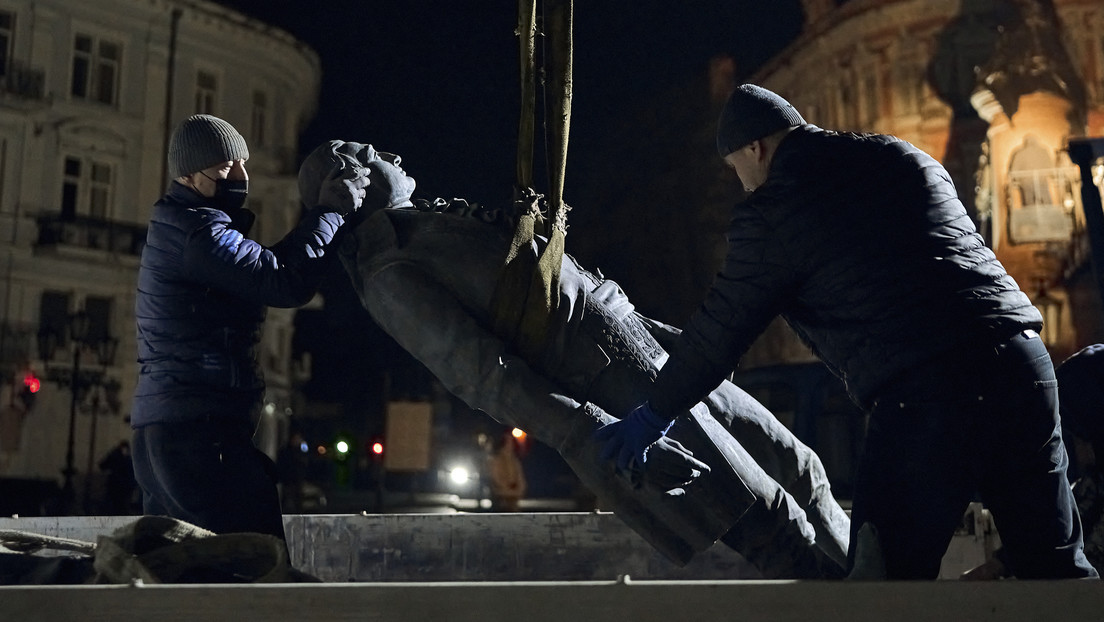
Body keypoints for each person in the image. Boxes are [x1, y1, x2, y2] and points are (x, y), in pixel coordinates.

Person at [595, 83, 1098, 580]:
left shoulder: (776, 210)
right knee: (1053, 571)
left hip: (926, 394)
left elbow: (719, 333)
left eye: (737, 170)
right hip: (1024, 368)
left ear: (756, 147)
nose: (742, 183)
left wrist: (655, 413)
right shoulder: (902, 156)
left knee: (882, 584)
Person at [299, 140, 850, 578]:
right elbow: (483, 376)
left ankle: (880, 586)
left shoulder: (427, 224)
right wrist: (594, 432)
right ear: (347, 181)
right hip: (620, 399)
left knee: (801, 466)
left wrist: (663, 335)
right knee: (770, 521)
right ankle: (866, 612)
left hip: (656, 357)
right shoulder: (390, 272)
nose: (391, 156)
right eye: (369, 154)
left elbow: (575, 289)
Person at [130, 114, 367, 541]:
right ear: (187, 174)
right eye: (225, 168)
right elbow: (284, 279)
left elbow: (264, 267)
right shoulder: (196, 233)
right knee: (255, 567)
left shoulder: (184, 226)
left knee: (182, 580)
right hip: (198, 436)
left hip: (172, 432)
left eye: (242, 164)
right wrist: (331, 211)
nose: (240, 177)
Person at [963, 343, 1104, 579]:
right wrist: (1000, 564)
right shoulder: (1094, 483)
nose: (1077, 449)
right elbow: (1058, 530)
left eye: (1081, 436)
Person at [487, 434, 527, 512]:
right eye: (508, 442)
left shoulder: (515, 461)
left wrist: (518, 490)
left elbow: (520, 479)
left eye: (511, 442)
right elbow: (495, 478)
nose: (510, 445)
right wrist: (506, 490)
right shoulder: (495, 460)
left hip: (513, 500)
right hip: (500, 499)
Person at [98, 440, 138, 515]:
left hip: (115, 484)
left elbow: (103, 465)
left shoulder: (114, 455)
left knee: (114, 506)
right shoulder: (125, 457)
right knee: (120, 506)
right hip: (122, 485)